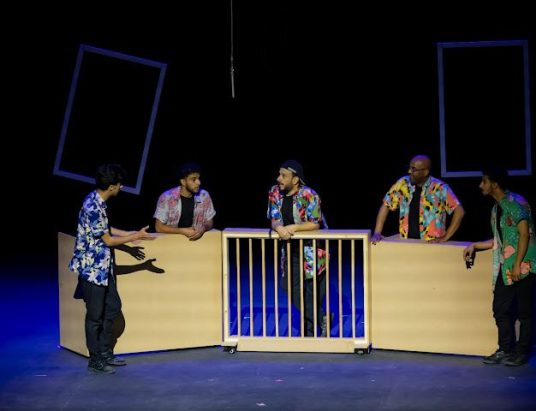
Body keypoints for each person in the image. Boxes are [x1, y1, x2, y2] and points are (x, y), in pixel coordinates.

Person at [69, 164, 155, 374]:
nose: (121, 187)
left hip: (103, 268)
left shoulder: (99, 201)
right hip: (92, 269)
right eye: (119, 184)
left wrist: (130, 234)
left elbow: (106, 229)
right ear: (111, 187)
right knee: (95, 317)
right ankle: (95, 360)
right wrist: (135, 236)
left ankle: (104, 351)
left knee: (113, 307)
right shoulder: (92, 206)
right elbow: (107, 240)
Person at [463, 166, 536, 366]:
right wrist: (475, 245)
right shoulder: (497, 208)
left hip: (523, 265)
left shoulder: (515, 203)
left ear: (494, 183)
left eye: (484, 181)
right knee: (500, 308)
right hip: (507, 267)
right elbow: (500, 240)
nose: (481, 185)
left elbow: (524, 234)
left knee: (524, 312)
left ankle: (521, 352)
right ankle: (505, 349)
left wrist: (518, 264)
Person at [267, 160, 328, 337]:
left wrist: (294, 227)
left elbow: (315, 224)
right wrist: (278, 227)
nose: (278, 178)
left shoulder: (310, 195)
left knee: (311, 291)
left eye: (283, 176)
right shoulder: (274, 192)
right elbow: (274, 218)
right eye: (279, 174)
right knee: (288, 286)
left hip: (313, 249)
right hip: (290, 249)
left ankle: (309, 334)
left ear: (295, 180)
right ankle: (322, 318)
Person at [371, 154, 465, 244]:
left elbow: (459, 211)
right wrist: (377, 232)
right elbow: (386, 205)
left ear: (425, 172)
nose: (409, 171)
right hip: (406, 243)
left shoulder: (439, 188)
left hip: (431, 245)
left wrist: (446, 236)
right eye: (409, 167)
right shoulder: (403, 183)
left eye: (414, 169)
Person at [154, 162, 216, 241]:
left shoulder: (204, 195)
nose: (199, 182)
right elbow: (159, 227)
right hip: (171, 242)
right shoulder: (167, 197)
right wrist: (182, 231)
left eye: (198, 178)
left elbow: (210, 222)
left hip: (197, 242)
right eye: (193, 179)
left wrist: (203, 228)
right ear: (183, 181)